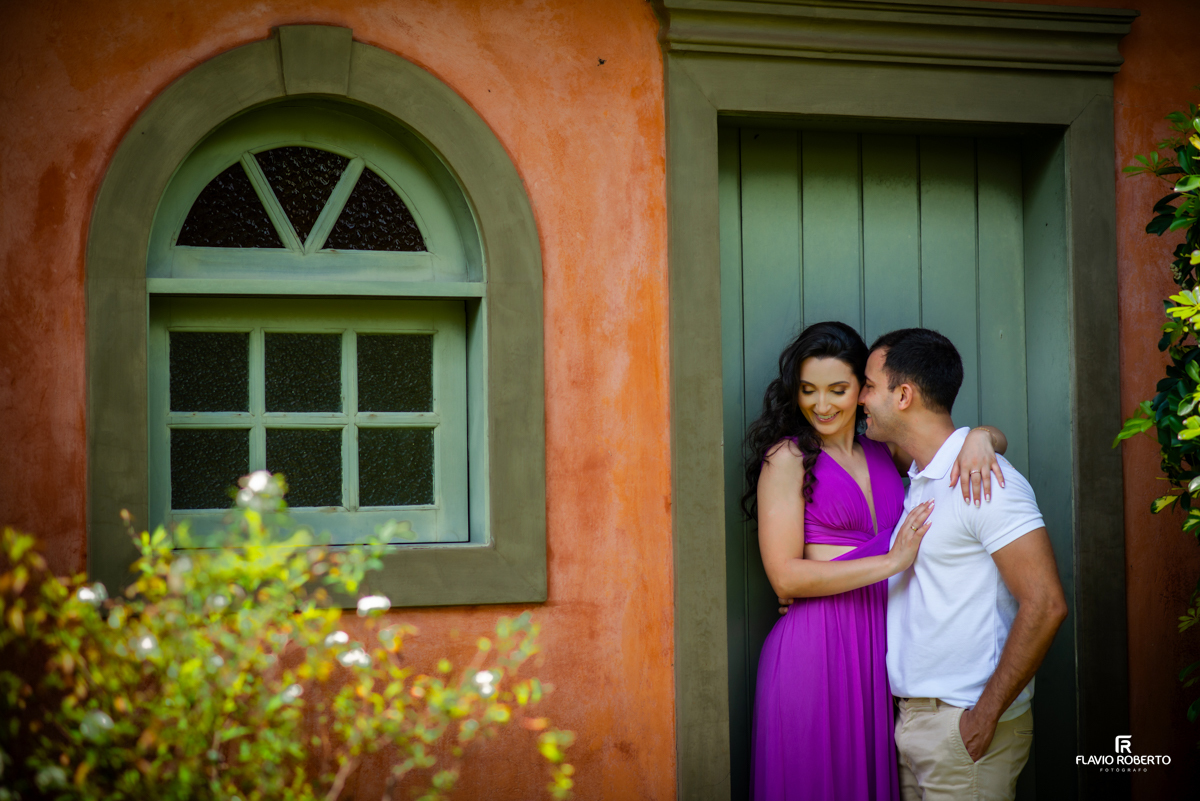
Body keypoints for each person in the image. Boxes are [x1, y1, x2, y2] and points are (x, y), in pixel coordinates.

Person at [744, 322, 1008, 801]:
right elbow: (784, 575)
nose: (821, 405)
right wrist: (893, 560)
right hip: (816, 649)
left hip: (878, 651)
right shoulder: (788, 458)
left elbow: (951, 444)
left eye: (839, 390)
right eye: (808, 391)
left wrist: (982, 437)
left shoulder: (886, 451)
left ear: (864, 392)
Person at [859, 328, 1068, 801]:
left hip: (965, 727)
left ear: (905, 394)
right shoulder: (921, 476)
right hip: (915, 726)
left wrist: (983, 717)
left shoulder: (986, 481)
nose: (860, 399)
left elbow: (1047, 603)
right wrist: (984, 433)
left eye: (869, 386)